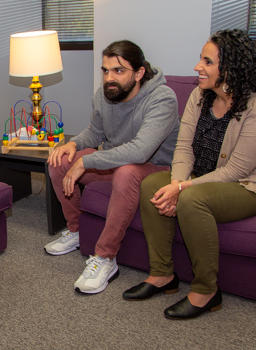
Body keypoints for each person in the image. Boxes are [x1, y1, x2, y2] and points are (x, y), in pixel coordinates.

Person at [123, 29, 256, 320]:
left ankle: (206, 291)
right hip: (204, 176)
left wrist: (182, 190)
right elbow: (184, 147)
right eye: (200, 59)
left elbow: (237, 170)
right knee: (153, 184)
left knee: (193, 200)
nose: (197, 67)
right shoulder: (199, 95)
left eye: (207, 62)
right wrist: (176, 183)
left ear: (230, 67)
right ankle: (162, 275)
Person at [43, 40, 180, 294]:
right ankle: (76, 230)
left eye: (118, 70)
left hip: (156, 169)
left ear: (138, 73)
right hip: (116, 165)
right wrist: (73, 144)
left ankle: (105, 257)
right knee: (60, 160)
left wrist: (86, 161)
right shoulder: (105, 94)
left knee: (126, 171)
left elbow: (140, 151)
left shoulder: (162, 99)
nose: (109, 78)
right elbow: (95, 132)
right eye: (105, 71)